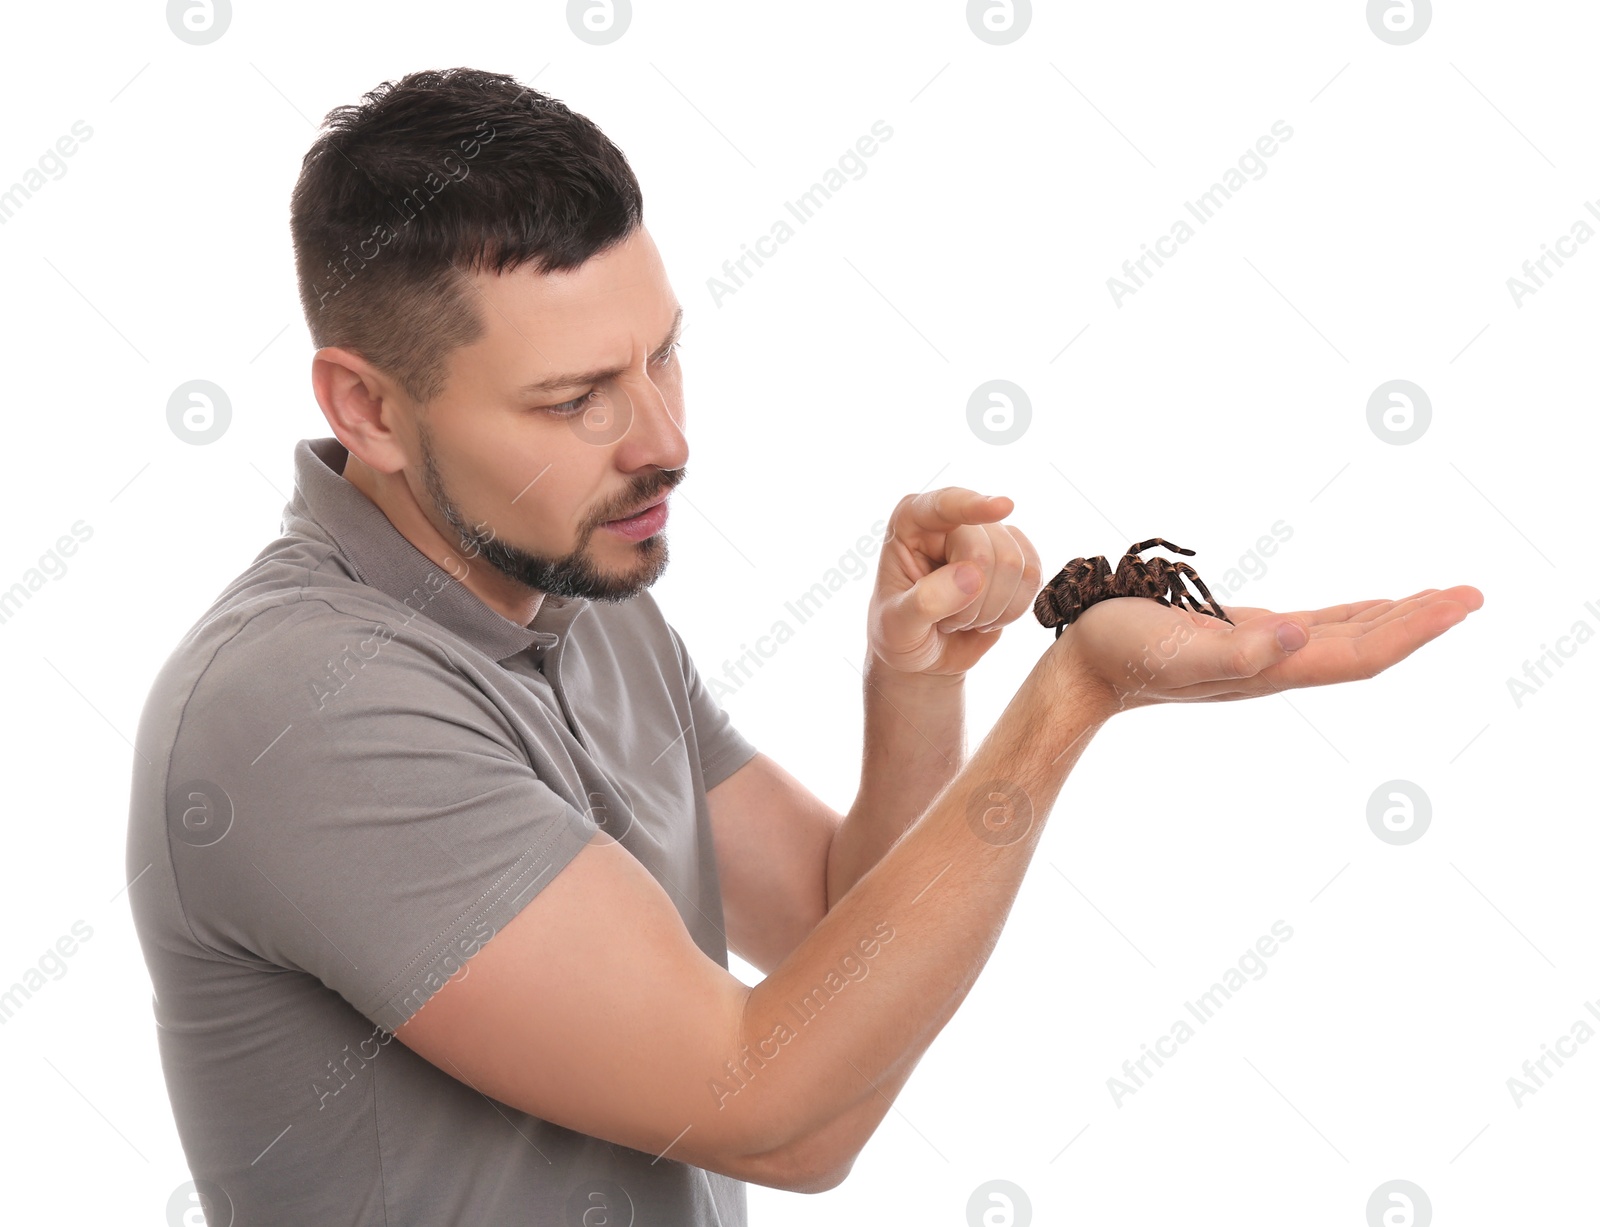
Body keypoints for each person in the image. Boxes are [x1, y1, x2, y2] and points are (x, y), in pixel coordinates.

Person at [125, 66, 1483, 1225]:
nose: (664, 440)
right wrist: (1075, 695)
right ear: (365, 407)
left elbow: (843, 945)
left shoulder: (582, 595)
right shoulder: (299, 715)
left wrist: (917, 684)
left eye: (662, 356)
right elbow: (780, 1112)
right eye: (575, 399)